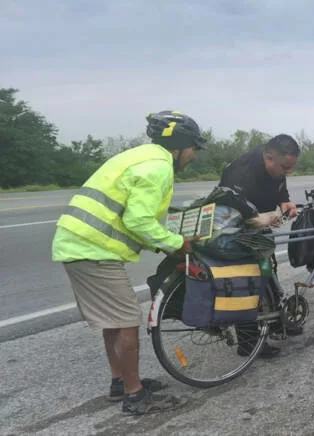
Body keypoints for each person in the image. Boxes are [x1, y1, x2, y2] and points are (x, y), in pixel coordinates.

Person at [51, 110, 205, 415]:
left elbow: (128, 218)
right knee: (126, 321)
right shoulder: (158, 167)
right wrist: (176, 243)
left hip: (78, 244)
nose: (194, 156)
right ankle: (135, 397)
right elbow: (138, 219)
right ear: (179, 146)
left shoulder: (138, 157)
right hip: (93, 250)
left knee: (112, 320)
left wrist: (161, 245)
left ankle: (119, 382)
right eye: (193, 149)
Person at [217, 134, 302, 358]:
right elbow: (231, 211)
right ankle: (248, 342)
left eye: (291, 168)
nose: (288, 172)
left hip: (260, 226)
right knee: (248, 282)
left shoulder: (276, 166)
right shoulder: (241, 172)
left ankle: (276, 322)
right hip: (235, 230)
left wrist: (285, 201)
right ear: (268, 157)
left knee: (267, 272)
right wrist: (262, 219)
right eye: (285, 167)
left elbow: (280, 185)